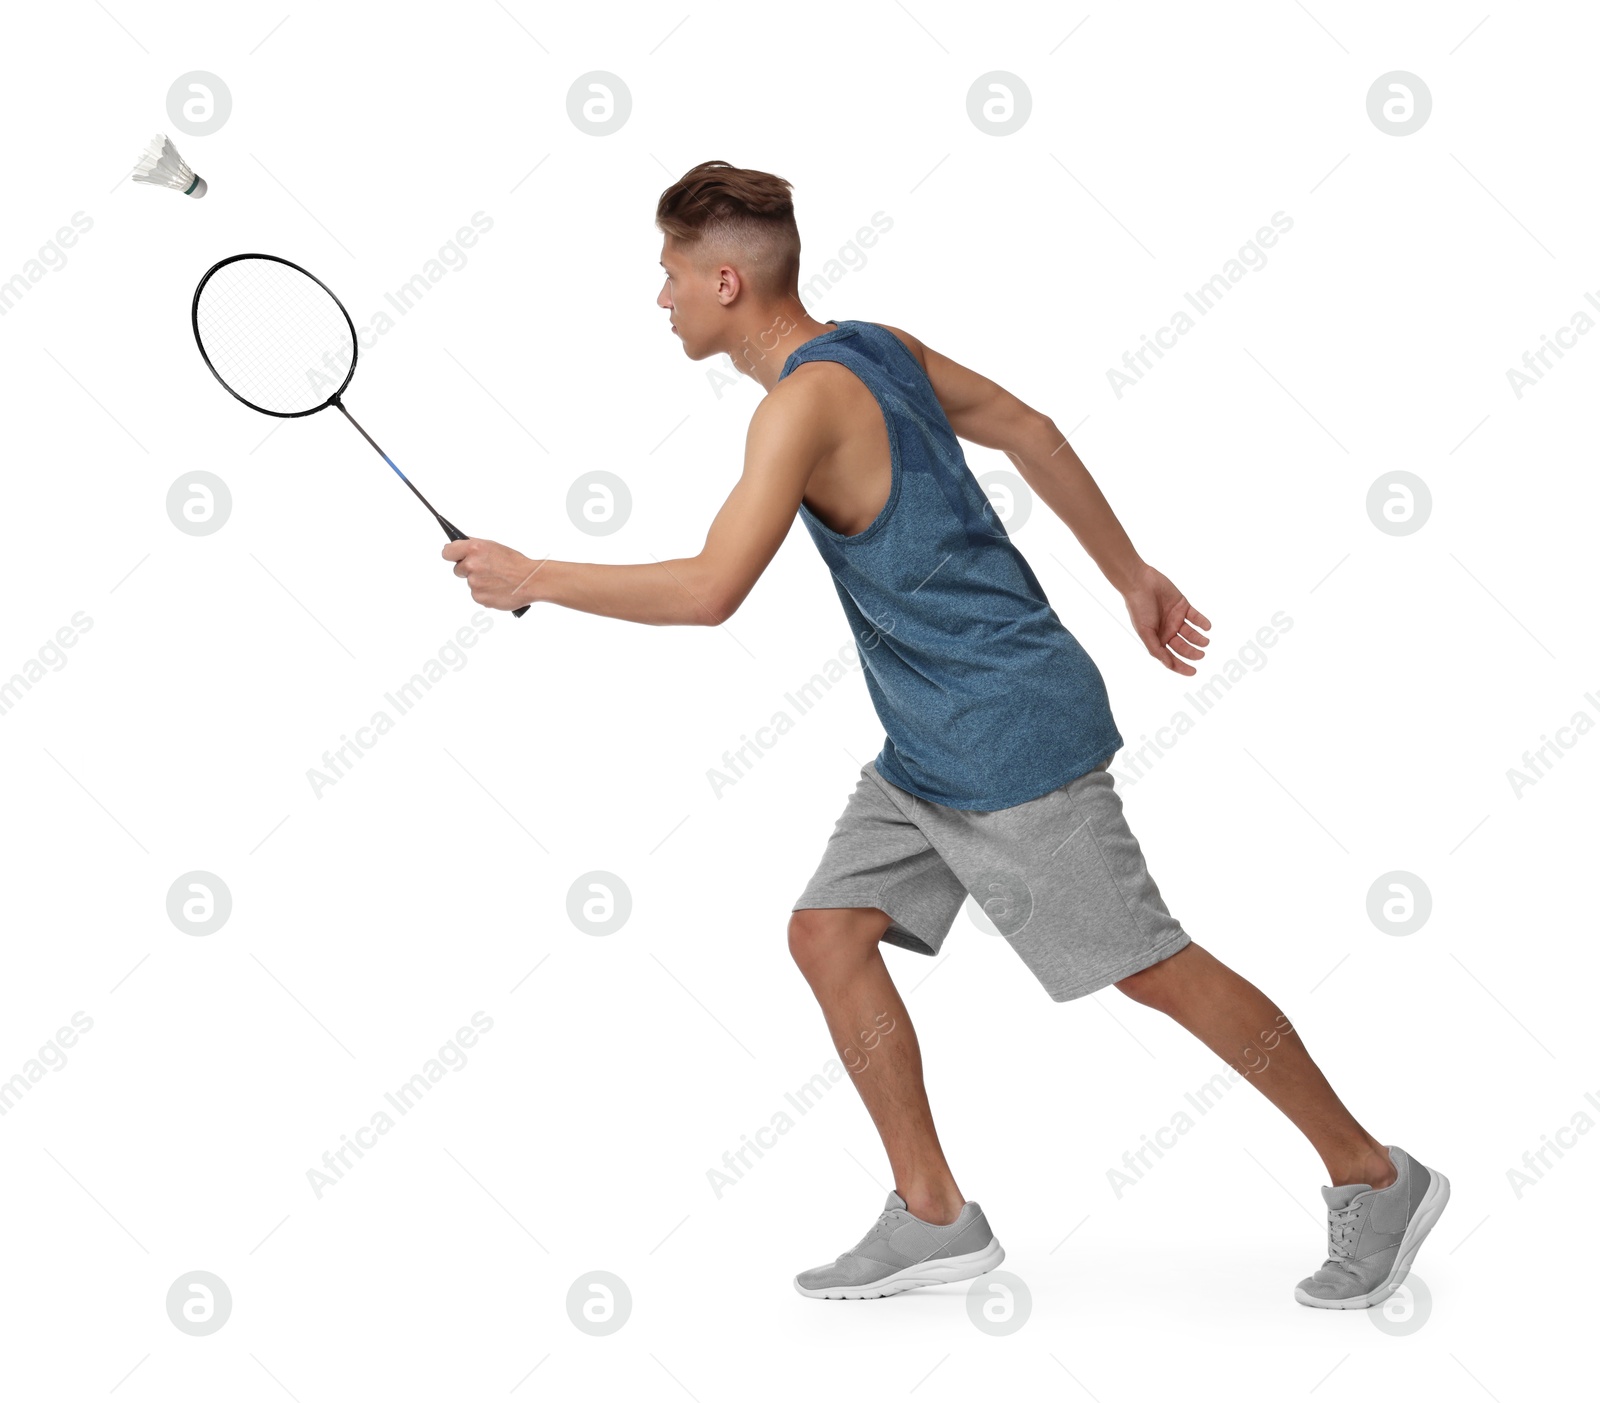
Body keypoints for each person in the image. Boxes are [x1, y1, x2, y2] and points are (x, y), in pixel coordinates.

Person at [443, 160, 1450, 1308]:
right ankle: (933, 1211)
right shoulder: (877, 344)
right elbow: (1028, 425)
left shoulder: (797, 408)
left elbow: (713, 588)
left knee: (1153, 968)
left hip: (1003, 734)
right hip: (931, 741)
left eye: (669, 274)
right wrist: (1127, 575)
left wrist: (538, 575)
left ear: (725, 281)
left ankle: (1375, 1174)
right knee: (827, 931)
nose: (658, 296)